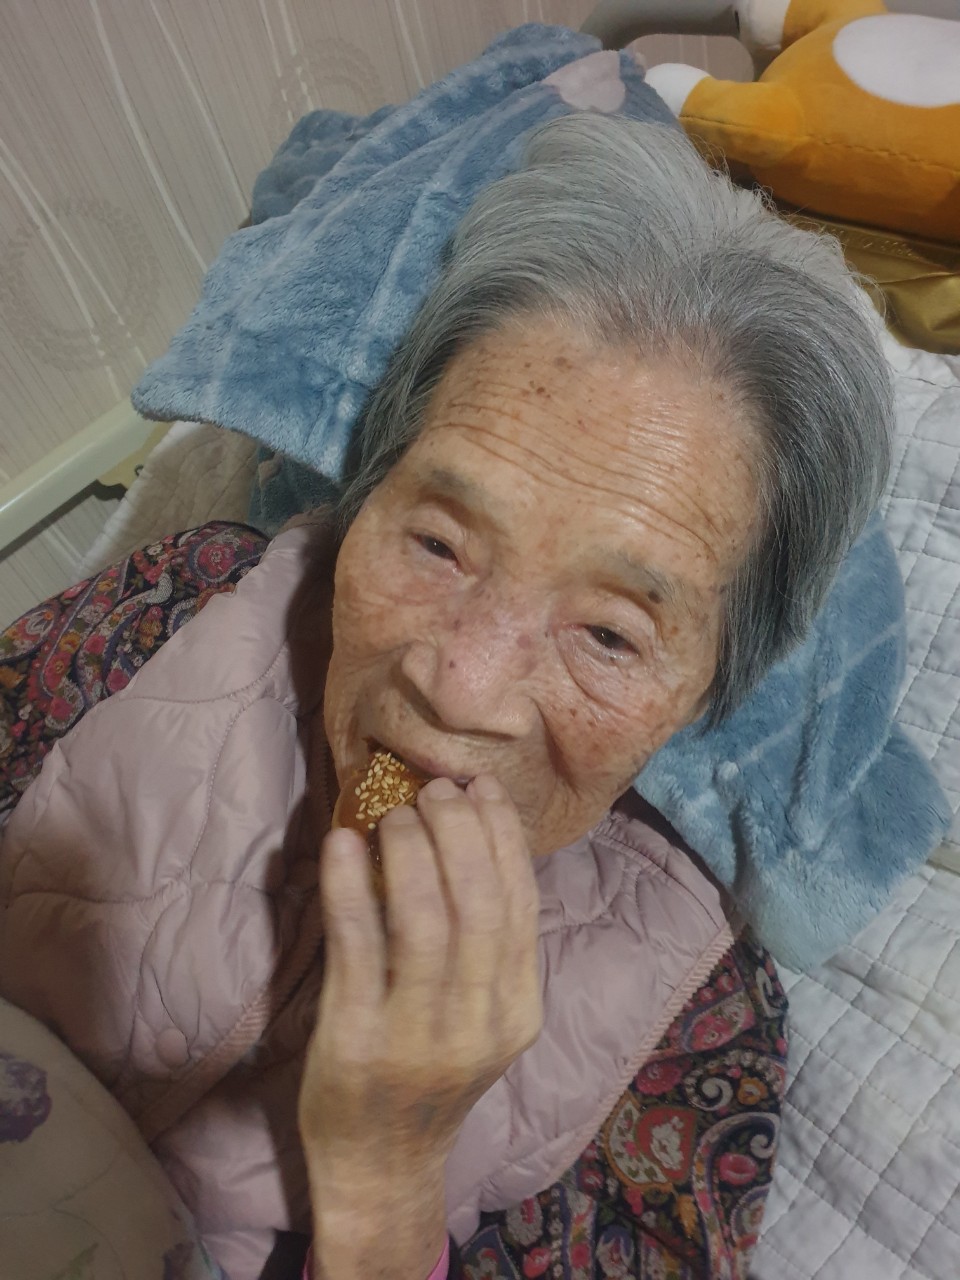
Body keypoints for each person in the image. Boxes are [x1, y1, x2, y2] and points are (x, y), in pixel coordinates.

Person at [0, 116, 891, 1279]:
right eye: (437, 541)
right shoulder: (184, 598)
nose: (459, 683)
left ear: (708, 691)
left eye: (610, 632)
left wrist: (386, 1181)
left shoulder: (695, 1026)